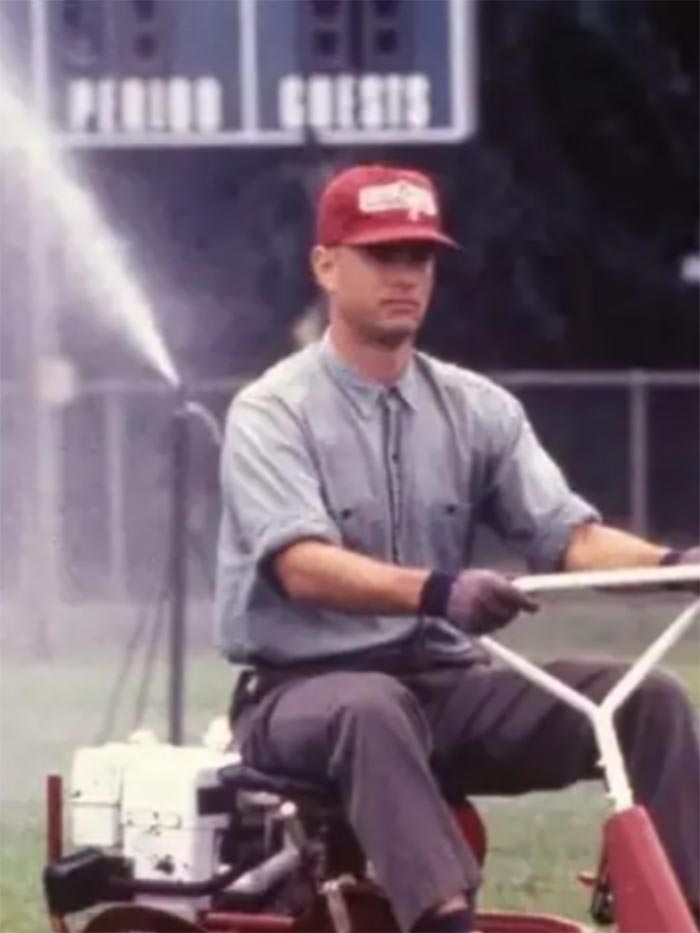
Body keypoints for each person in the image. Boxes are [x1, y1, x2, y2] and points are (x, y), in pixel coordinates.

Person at [215, 164, 699, 933]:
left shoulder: (479, 409)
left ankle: (676, 913)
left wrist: (672, 564)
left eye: (420, 257)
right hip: (302, 693)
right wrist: (440, 591)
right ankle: (445, 922)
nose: (405, 276)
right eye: (382, 255)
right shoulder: (272, 412)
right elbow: (301, 564)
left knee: (651, 700)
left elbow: (568, 536)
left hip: (449, 688)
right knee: (373, 707)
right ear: (326, 265)